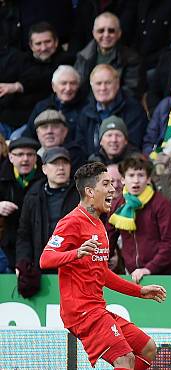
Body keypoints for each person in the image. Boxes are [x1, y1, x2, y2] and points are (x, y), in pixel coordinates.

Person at [39, 161, 166, 370]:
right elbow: (45, 259)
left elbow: (102, 272)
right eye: (106, 184)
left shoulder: (98, 223)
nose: (113, 188)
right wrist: (75, 254)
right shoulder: (72, 222)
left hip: (96, 307)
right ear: (89, 191)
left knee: (147, 348)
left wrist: (138, 291)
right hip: (80, 311)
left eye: (113, 183)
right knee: (125, 359)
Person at [15, 147, 79, 298]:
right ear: (44, 169)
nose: (61, 168)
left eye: (65, 163)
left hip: (74, 271)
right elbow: (24, 234)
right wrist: (23, 262)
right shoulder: (33, 195)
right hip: (42, 269)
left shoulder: (81, 195)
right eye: (55, 163)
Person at [108, 155, 171, 283]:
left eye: (140, 175)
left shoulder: (162, 205)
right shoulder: (118, 205)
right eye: (131, 175)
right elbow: (108, 240)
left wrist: (148, 269)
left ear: (148, 179)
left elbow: (169, 244)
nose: (136, 180)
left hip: (164, 275)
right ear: (123, 179)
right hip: (133, 274)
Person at [76, 65, 148, 158]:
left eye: (108, 83)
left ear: (117, 84)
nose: (103, 88)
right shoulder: (85, 112)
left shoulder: (133, 110)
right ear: (92, 86)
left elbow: (134, 144)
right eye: (98, 83)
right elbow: (80, 147)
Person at [74, 12, 142, 98]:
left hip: (119, 106)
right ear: (94, 33)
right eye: (101, 31)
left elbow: (131, 91)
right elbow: (76, 86)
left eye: (111, 31)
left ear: (119, 34)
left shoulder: (131, 58)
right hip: (85, 106)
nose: (106, 35)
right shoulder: (83, 56)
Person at [0, 137, 44, 270]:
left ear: (36, 158)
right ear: (11, 157)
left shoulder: (46, 178)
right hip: (8, 244)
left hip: (39, 243)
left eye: (30, 154)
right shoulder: (1, 177)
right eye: (19, 154)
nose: (25, 159)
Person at [23, 65, 85, 142]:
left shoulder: (85, 108)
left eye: (73, 83)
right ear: (54, 87)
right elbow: (28, 135)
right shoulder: (42, 107)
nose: (68, 88)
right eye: (63, 83)